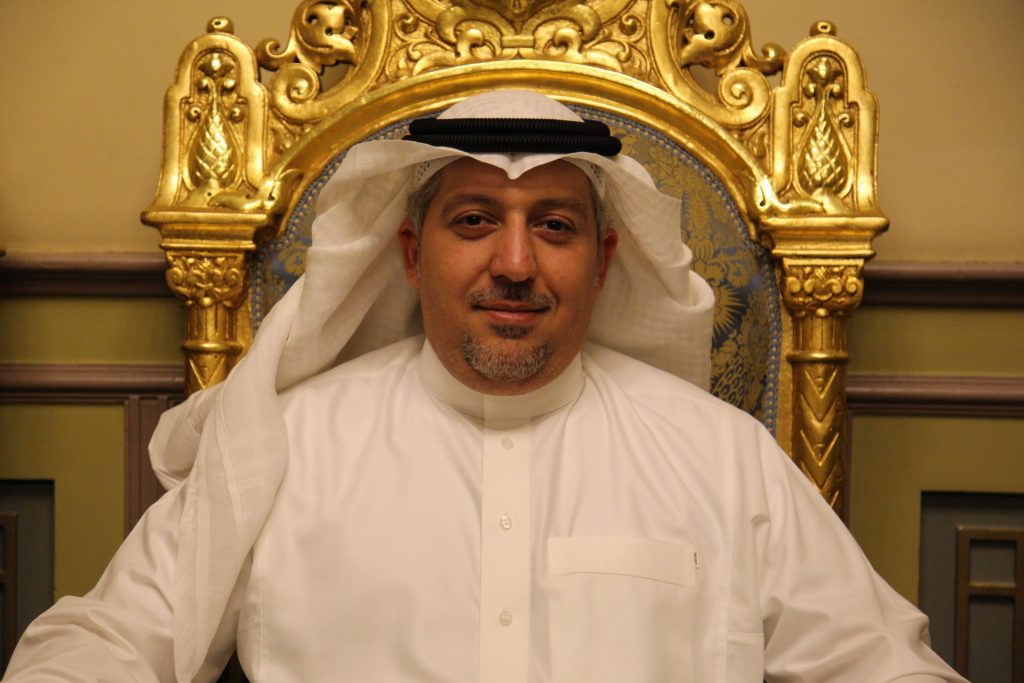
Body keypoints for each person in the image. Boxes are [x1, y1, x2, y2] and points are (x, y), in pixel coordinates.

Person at [4, 91, 964, 682]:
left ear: (604, 259)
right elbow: (102, 640)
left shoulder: (720, 456)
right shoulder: (285, 446)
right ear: (410, 254)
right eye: (474, 221)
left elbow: (881, 662)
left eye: (554, 225)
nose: (514, 263)